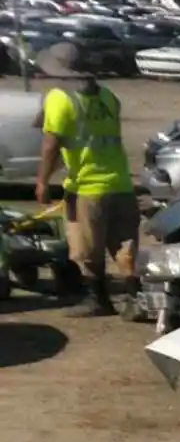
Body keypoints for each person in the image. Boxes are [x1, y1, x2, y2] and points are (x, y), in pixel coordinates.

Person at [34, 40, 139, 317]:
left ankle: (98, 299)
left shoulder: (60, 99)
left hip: (87, 187)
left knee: (86, 247)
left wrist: (43, 181)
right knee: (123, 245)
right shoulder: (108, 97)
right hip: (122, 183)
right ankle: (135, 298)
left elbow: (51, 145)